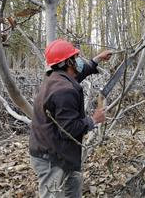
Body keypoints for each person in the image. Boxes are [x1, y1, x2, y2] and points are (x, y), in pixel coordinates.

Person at [29, 39, 112, 198]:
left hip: (59, 152)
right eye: (75, 58)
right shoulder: (63, 90)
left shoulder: (57, 78)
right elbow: (69, 129)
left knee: (72, 187)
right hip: (51, 158)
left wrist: (98, 58)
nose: (78, 60)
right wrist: (93, 120)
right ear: (68, 62)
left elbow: (80, 72)